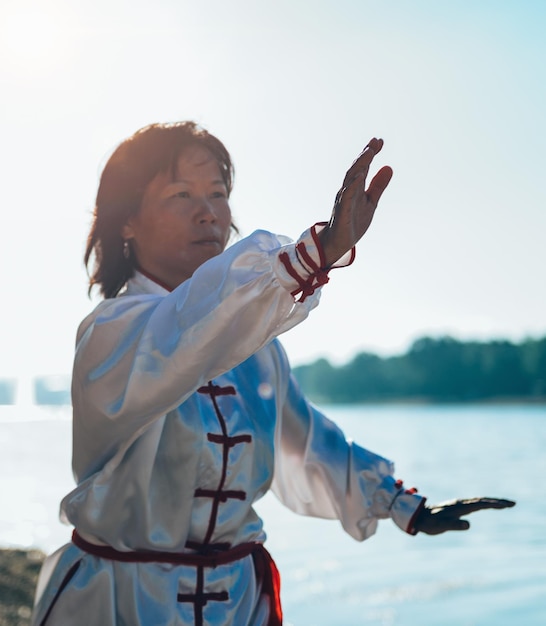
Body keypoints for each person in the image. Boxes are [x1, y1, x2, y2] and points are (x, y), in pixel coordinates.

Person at [31, 121, 514, 626]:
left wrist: (401, 505)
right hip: (123, 602)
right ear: (125, 221)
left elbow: (307, 444)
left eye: (218, 193)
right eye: (181, 193)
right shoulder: (112, 333)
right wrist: (313, 254)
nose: (208, 212)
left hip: (238, 603)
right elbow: (179, 334)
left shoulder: (257, 351)